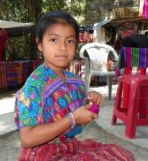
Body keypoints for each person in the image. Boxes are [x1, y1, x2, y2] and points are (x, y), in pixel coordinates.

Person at [14, 10, 135, 161]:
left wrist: (91, 101)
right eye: (54, 40)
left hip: (69, 146)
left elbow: (76, 107)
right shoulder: (34, 87)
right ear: (40, 44)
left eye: (70, 41)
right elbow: (27, 139)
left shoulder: (75, 81)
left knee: (123, 156)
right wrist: (72, 119)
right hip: (41, 153)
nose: (63, 47)